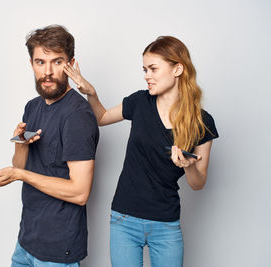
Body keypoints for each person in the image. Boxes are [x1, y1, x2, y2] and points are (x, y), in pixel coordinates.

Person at [64, 36, 218, 267]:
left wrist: (190, 166)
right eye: (145, 69)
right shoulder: (140, 102)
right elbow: (101, 118)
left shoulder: (202, 122)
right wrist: (91, 92)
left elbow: (198, 183)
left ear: (177, 69)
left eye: (153, 69)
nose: (147, 75)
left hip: (166, 225)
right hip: (124, 219)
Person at [0, 25, 99, 267]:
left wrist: (19, 174)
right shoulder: (32, 106)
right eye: (40, 62)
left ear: (71, 64)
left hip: (56, 250)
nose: (48, 72)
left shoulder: (77, 115)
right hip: (27, 240)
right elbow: (20, 165)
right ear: (31, 64)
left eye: (57, 62)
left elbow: (80, 192)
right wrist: (20, 144)